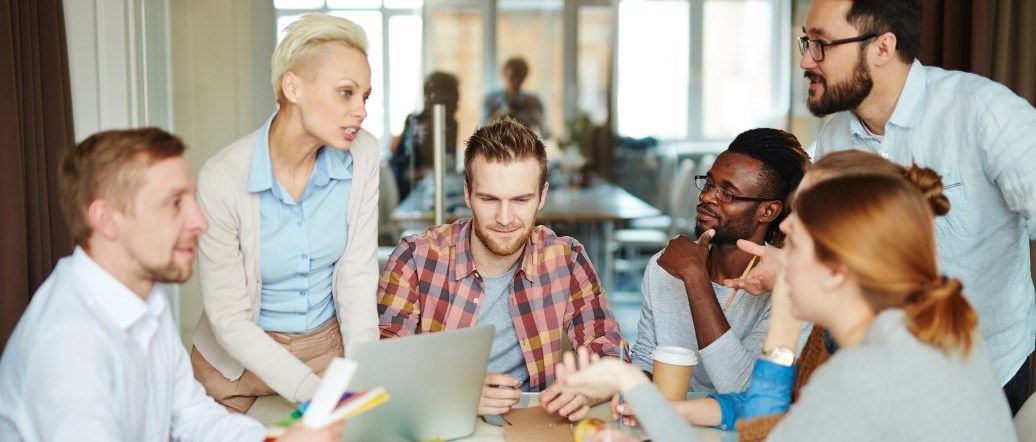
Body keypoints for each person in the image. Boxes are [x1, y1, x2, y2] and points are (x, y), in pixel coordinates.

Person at [557, 171, 1016, 441]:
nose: (776, 260)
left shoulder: (865, 372)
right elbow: (770, 417)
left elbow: (764, 429)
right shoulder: (935, 327)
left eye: (791, 246)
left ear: (837, 271)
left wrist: (623, 380)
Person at [0, 128, 341, 441]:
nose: (199, 221)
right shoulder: (69, 347)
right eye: (174, 202)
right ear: (106, 219)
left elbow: (191, 415)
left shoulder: (144, 299)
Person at [799, 0, 1036, 414]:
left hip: (984, 374)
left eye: (821, 44)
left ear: (883, 47)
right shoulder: (833, 142)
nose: (805, 60)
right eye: (806, 42)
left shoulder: (984, 112)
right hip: (881, 378)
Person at [190, 13, 380, 413]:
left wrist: (362, 374)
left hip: (328, 352)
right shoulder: (222, 177)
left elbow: (357, 275)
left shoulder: (363, 154)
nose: (361, 111)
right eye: (346, 93)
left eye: (365, 96)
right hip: (236, 363)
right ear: (292, 87)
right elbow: (229, 319)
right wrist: (311, 391)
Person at [378, 117, 624, 421]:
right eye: (489, 199)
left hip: (532, 425)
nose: (505, 218)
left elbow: (611, 354)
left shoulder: (567, 259)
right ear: (468, 194)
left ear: (542, 196)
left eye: (521, 199)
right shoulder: (415, 258)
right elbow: (381, 368)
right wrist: (457, 392)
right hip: (440, 423)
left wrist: (588, 389)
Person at [631, 128, 809, 394]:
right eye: (709, 183)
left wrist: (695, 277)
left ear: (768, 211)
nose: (705, 197)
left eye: (727, 193)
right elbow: (645, 359)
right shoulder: (665, 266)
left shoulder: (790, 288)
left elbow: (743, 388)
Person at [389, 71, 460, 200]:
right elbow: (405, 173)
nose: (457, 107)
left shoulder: (450, 124)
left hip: (442, 193)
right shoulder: (415, 123)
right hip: (412, 195)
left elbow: (449, 164)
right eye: (453, 99)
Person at [483, 57, 549, 137]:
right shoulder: (491, 99)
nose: (516, 81)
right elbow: (483, 130)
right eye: (512, 77)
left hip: (525, 145)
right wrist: (501, 113)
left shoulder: (533, 100)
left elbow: (545, 134)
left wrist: (534, 114)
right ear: (505, 75)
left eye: (520, 77)